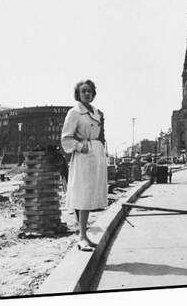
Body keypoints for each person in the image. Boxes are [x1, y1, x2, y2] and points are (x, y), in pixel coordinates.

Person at [61, 79, 107, 252]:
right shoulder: (74, 113)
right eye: (83, 91)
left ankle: (84, 235)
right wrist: (81, 147)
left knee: (91, 193)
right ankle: (81, 236)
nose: (87, 94)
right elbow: (66, 138)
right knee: (83, 193)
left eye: (89, 91)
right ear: (78, 94)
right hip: (83, 156)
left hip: (96, 156)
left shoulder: (96, 112)